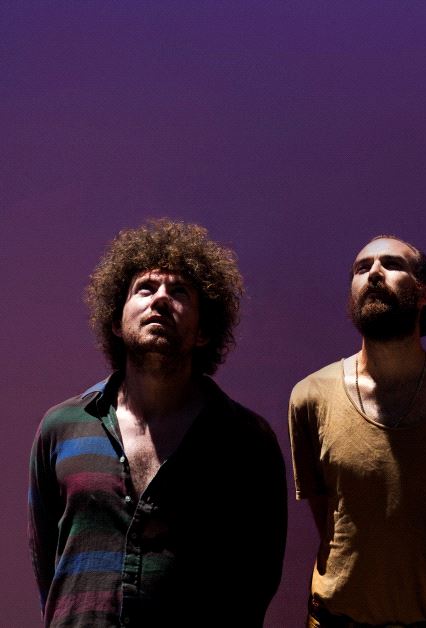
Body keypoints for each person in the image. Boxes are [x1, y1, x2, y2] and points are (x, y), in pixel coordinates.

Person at [28, 219, 287, 627]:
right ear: (117, 321)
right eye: (145, 289)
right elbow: (47, 559)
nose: (161, 299)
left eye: (179, 291)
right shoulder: (62, 427)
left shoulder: (245, 440)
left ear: (203, 332)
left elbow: (258, 577)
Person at [288, 235, 426, 627]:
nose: (374, 273)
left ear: (423, 293)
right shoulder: (309, 397)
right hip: (336, 619)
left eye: (391, 264)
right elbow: (330, 516)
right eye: (361, 267)